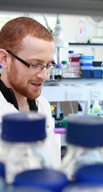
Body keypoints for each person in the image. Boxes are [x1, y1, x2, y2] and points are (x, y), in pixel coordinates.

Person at [0, 17, 61, 167]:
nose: (44, 76)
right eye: (35, 65)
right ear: (4, 59)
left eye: (48, 65)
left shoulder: (43, 106)